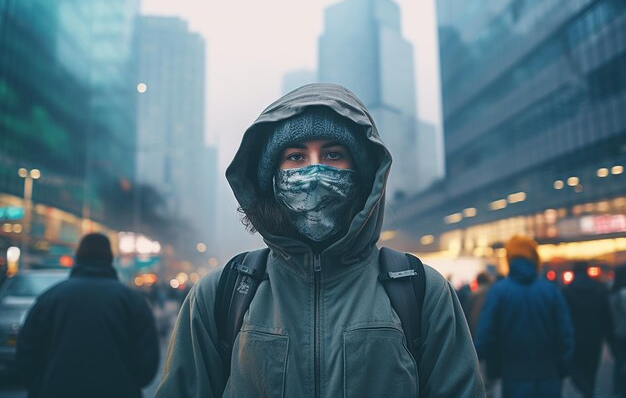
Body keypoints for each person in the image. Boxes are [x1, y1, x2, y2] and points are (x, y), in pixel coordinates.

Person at [156, 83, 484, 398]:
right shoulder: (222, 293)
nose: (314, 173)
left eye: (332, 155)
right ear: (272, 177)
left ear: (364, 175)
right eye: (296, 157)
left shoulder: (421, 291)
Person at [16, 233, 160, 398]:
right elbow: (147, 360)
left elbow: (27, 354)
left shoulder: (50, 298)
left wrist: (40, 388)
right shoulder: (132, 301)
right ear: (110, 259)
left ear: (78, 257)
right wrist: (128, 383)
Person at [474, 235, 574, 398]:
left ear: (509, 259)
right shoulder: (551, 291)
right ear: (535, 259)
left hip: (512, 377)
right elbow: (566, 334)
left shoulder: (499, 292)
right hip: (549, 376)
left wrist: (492, 370)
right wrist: (562, 367)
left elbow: (485, 336)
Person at [562, 261, 613, 398]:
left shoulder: (566, 291)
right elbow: (606, 315)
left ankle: (585, 390)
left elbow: (563, 317)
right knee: (591, 370)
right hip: (595, 338)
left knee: (576, 369)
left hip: (575, 338)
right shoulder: (600, 289)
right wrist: (610, 337)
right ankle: (589, 391)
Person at [610, 264, 626, 397]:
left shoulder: (613, 293)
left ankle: (618, 389)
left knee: (619, 362)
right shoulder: (623, 294)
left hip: (617, 333)